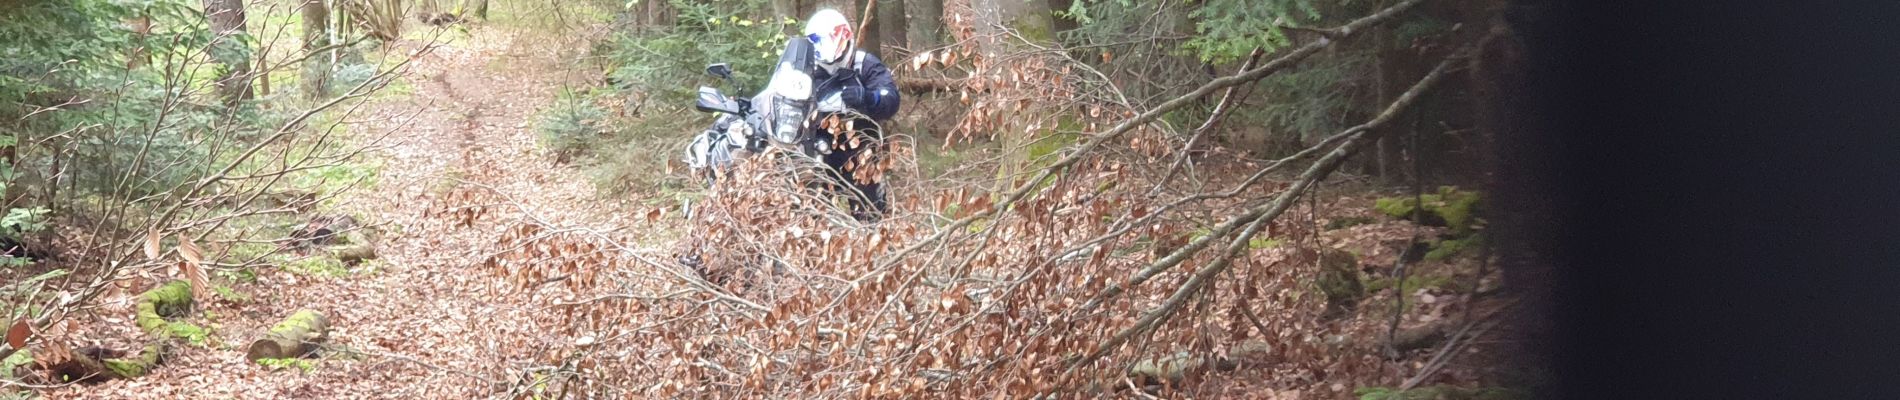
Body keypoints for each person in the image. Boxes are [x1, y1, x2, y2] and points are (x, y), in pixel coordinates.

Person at [803, 8, 901, 221]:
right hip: (817, 147)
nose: (820, 47)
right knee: (811, 212)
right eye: (815, 42)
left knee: (870, 213)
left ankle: (873, 245)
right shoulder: (806, 68)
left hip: (860, 149)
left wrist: (867, 97)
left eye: (823, 40)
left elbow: (891, 98)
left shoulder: (864, 63)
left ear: (840, 36)